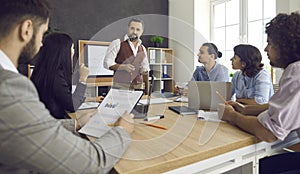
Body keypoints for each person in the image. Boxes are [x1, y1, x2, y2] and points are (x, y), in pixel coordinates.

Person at [0, 0, 134, 173]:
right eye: (42, 34)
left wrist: (75, 124)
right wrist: (122, 130)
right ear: (26, 29)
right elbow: (91, 163)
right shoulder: (9, 90)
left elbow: (30, 128)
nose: (41, 44)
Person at [218, 12, 300, 143]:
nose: (266, 49)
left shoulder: (296, 73)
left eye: (270, 43)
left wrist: (233, 116)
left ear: (284, 46)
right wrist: (245, 110)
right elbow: (281, 108)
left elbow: (269, 133)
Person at [31, 32, 103, 119]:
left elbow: (65, 97)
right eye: (72, 48)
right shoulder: (55, 76)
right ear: (64, 51)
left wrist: (92, 99)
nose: (74, 52)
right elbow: (72, 106)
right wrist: (83, 79)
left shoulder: (45, 71)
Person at [103, 18, 150, 91]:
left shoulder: (142, 48)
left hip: (138, 86)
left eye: (138, 30)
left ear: (142, 32)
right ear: (127, 28)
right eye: (132, 28)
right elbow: (107, 63)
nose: (134, 32)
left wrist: (144, 70)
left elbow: (146, 66)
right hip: (121, 85)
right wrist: (123, 67)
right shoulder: (117, 43)